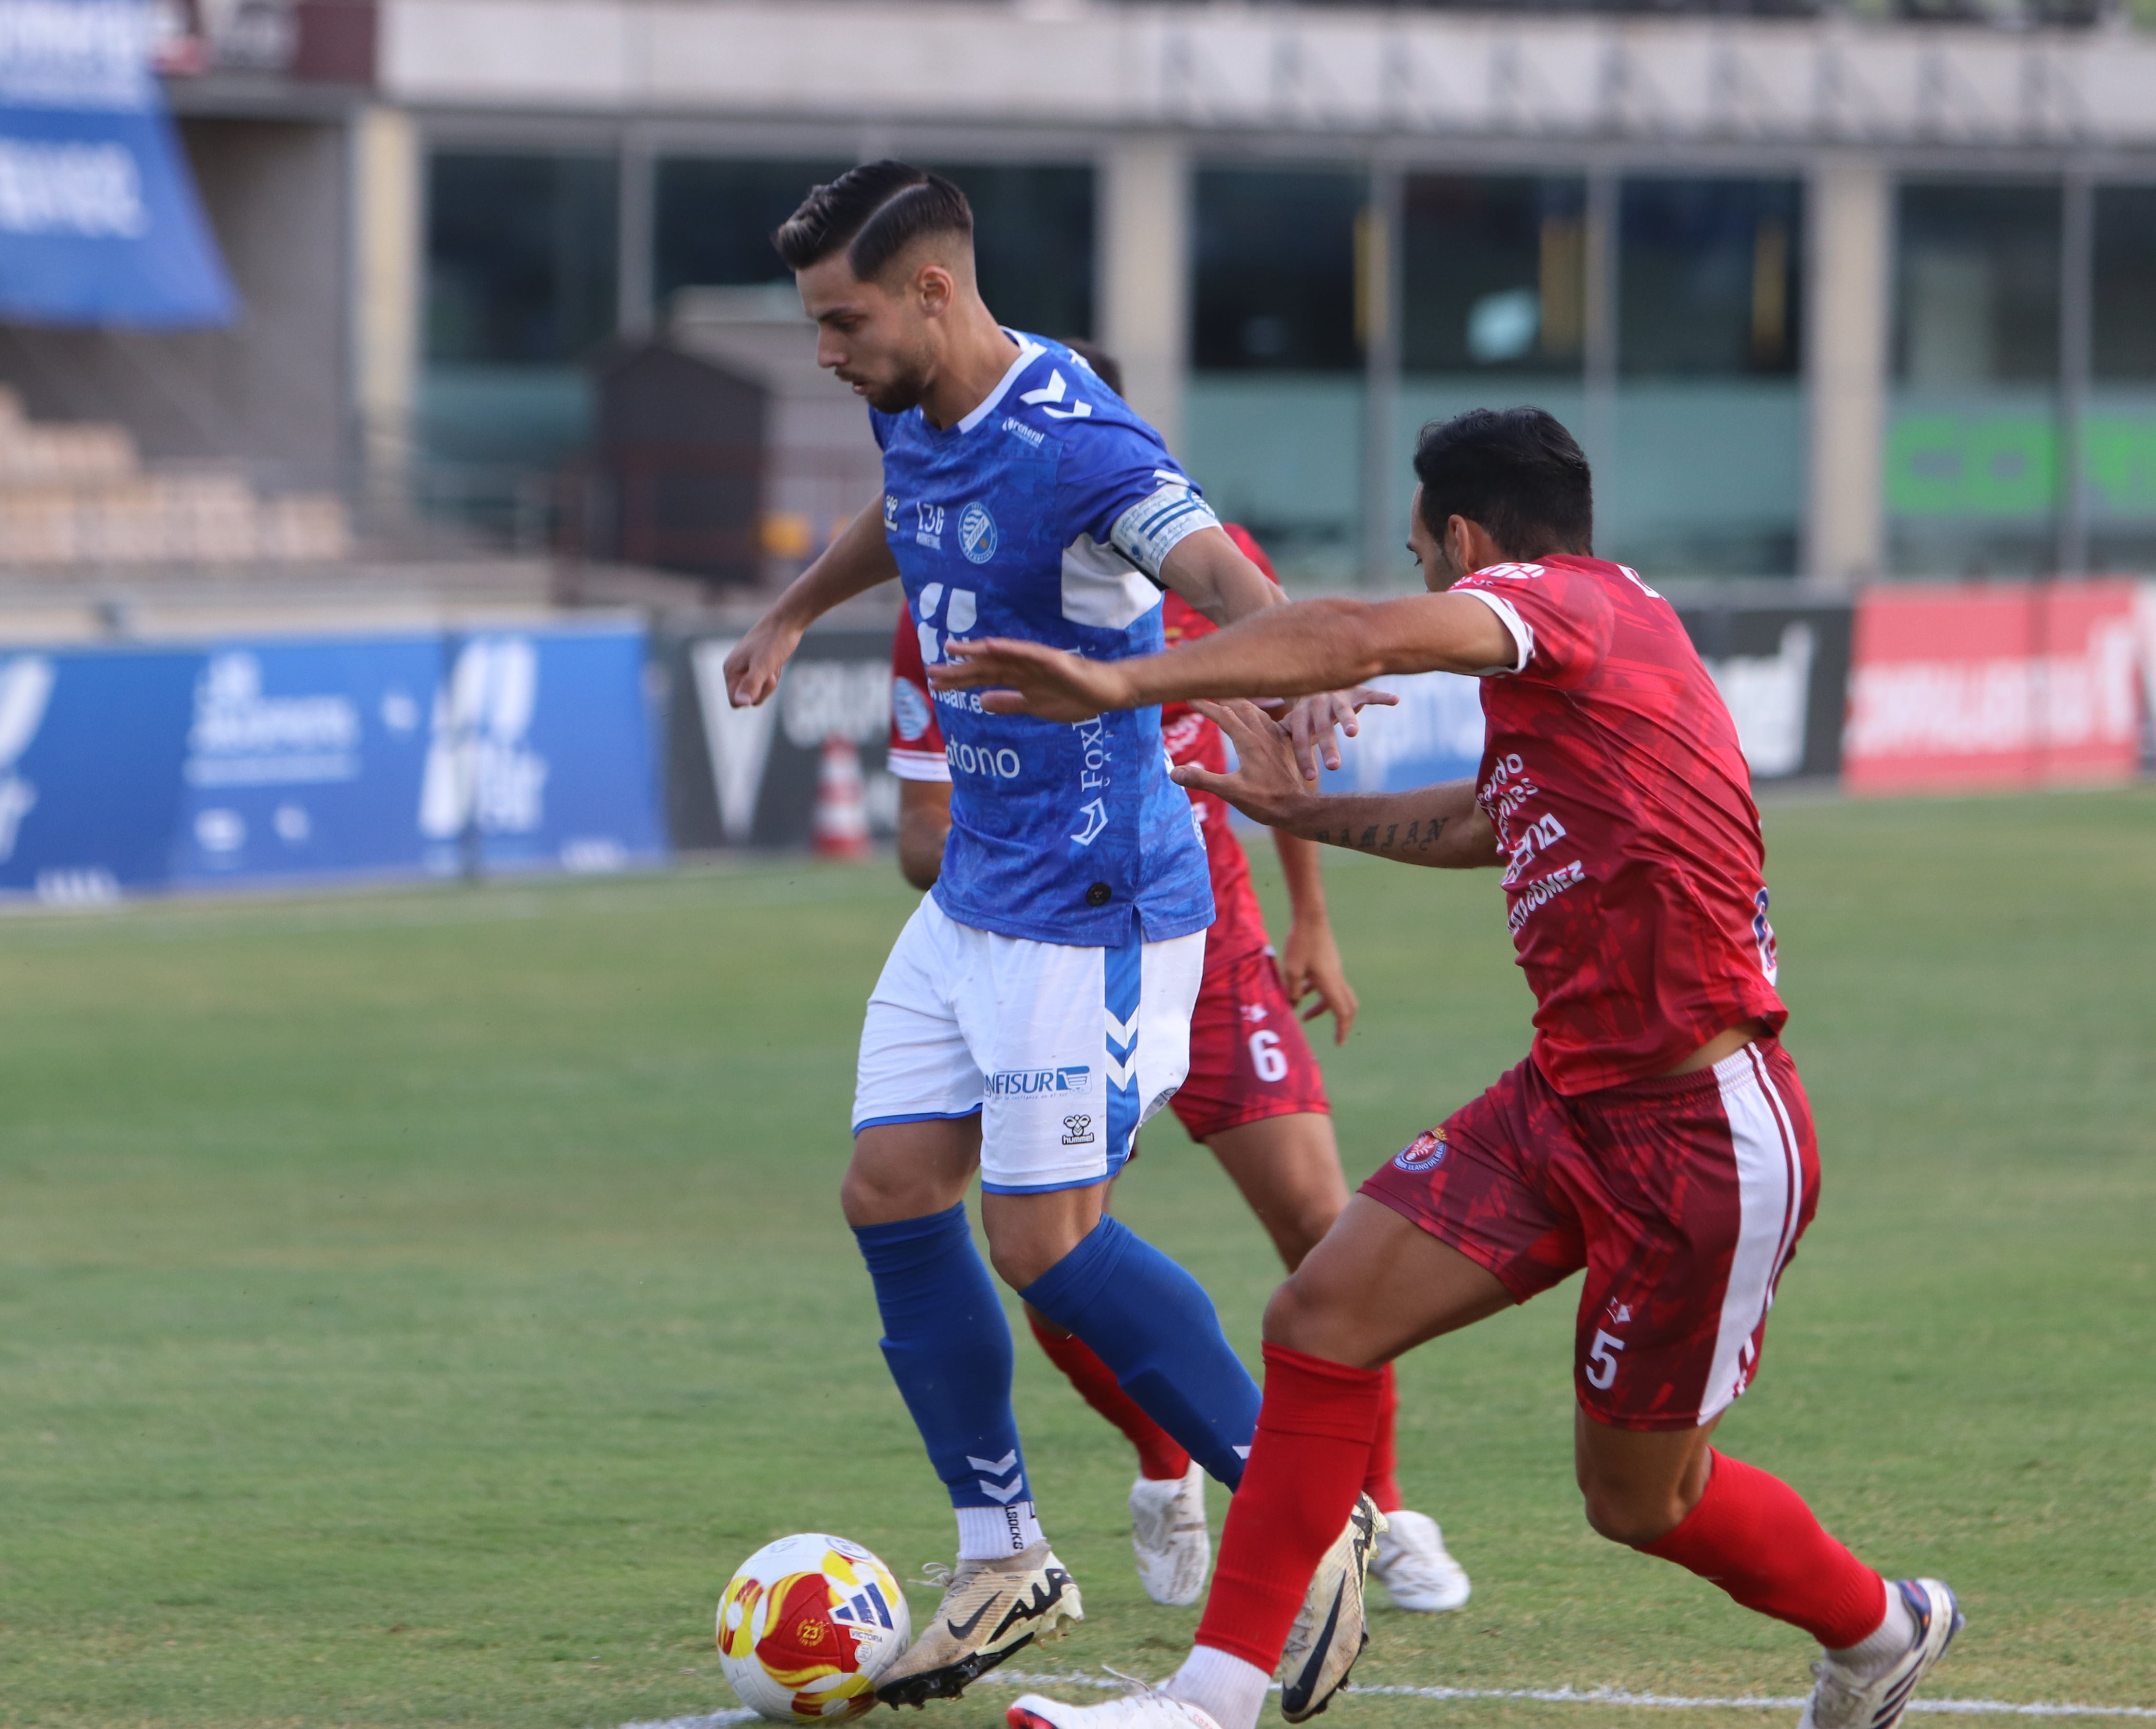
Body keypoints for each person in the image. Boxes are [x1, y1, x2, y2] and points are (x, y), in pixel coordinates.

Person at [932, 407, 1960, 1729]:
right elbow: (1492, 817)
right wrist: (1306, 814)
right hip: (1564, 1102)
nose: (1420, 573)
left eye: (1421, 551)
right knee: (1319, 1316)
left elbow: (1356, 636)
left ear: (1465, 541)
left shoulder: (1561, 602)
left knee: (1639, 1500)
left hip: (1700, 1130)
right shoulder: (1588, 647)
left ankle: (1882, 1626)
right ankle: (1209, 1699)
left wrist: (1122, 683)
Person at [722, 162, 1369, 1709]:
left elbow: (1217, 569)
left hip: (1093, 909)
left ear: (932, 291)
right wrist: (797, 606)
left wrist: (1289, 668)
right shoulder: (915, 400)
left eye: (842, 322)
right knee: (891, 1191)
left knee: (1043, 1244)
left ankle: (1310, 1514)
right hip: (975, 899)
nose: (826, 351)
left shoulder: (1084, 446)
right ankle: (1003, 1552)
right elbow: (907, 505)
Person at [889, 427, 1470, 1614]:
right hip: (1064, 952)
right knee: (1052, 1251)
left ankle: (1382, 1509)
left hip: (1218, 955)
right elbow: (918, 837)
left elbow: (1288, 744)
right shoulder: (955, 598)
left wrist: (1312, 920)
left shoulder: (1213, 560)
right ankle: (1166, 1461)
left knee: (1323, 1226)